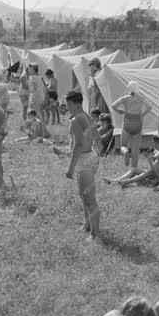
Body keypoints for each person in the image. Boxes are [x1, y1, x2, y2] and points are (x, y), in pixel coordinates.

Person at [65, 90, 102, 241]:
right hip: (91, 157)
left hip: (84, 160)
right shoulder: (87, 116)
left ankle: (95, 235)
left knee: (89, 199)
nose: (67, 108)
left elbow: (78, 146)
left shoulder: (76, 120)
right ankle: (87, 225)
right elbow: (98, 138)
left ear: (72, 103)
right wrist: (96, 156)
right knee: (84, 195)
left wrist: (70, 169)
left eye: (68, 105)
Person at [111, 81, 152, 176]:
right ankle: (134, 168)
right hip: (137, 122)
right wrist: (142, 115)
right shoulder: (141, 98)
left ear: (129, 88)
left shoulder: (125, 98)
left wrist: (119, 111)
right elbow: (150, 107)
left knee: (123, 145)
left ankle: (125, 152)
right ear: (138, 89)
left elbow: (113, 105)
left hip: (127, 122)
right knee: (135, 148)